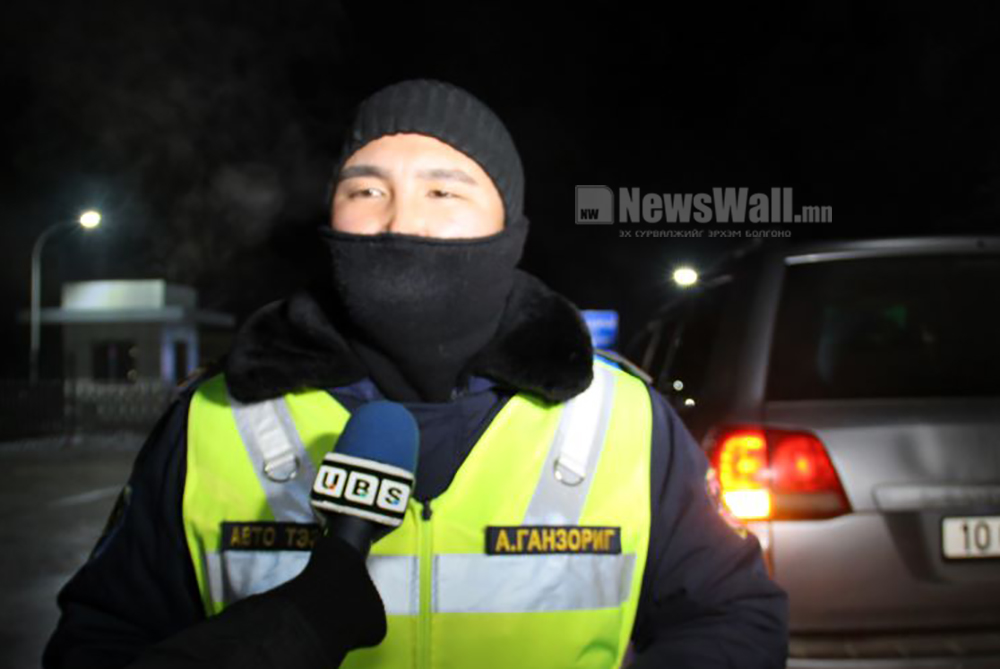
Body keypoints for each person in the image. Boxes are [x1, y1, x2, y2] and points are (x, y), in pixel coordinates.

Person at [43, 78, 789, 668]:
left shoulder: (619, 418)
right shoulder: (216, 419)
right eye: (366, 190)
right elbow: (100, 638)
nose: (400, 222)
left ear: (508, 227)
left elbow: (735, 617)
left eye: (444, 191)